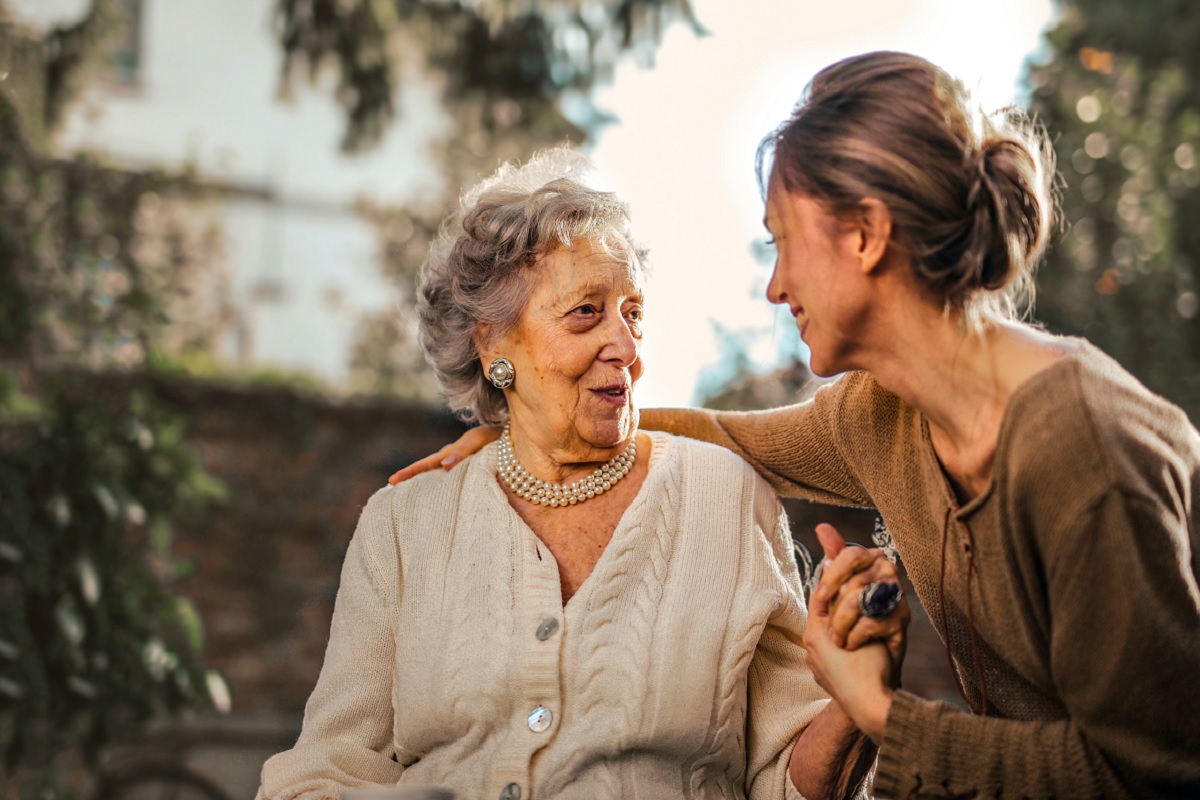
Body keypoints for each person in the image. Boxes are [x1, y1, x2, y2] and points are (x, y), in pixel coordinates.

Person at [390, 53, 1200, 799]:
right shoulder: (881, 414)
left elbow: (1154, 770)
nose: (775, 287)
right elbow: (726, 435)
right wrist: (528, 431)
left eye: (783, 243)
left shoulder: (1081, 448)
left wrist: (883, 716)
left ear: (866, 234)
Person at [257, 149, 908, 800]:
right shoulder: (403, 524)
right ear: (493, 345)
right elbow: (322, 775)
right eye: (586, 313)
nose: (626, 347)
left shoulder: (727, 499)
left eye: (634, 313)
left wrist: (855, 705)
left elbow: (787, 782)